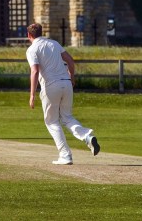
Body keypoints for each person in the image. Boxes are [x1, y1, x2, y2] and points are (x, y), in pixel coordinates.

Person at [25, 22, 100, 165]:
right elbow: (70, 61)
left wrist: (32, 95)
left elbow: (34, 71)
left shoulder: (32, 49)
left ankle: (65, 155)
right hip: (66, 83)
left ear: (29, 35)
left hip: (50, 86)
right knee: (67, 117)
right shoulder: (54, 43)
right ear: (41, 32)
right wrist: (71, 77)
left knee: (52, 121)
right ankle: (87, 137)